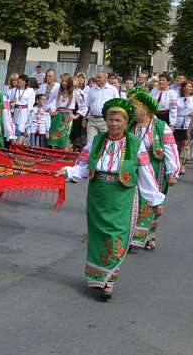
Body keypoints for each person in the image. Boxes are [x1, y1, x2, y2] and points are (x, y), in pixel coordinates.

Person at [60, 98, 165, 301]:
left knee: (116, 235)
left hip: (121, 196)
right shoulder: (96, 141)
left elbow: (146, 173)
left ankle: (110, 281)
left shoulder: (135, 144)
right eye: (111, 119)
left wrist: (156, 200)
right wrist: (67, 171)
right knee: (98, 237)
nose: (114, 124)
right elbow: (82, 166)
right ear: (106, 120)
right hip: (98, 195)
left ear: (126, 122)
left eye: (118, 120)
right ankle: (97, 278)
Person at [128, 89, 178, 251]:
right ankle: (132, 236)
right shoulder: (131, 126)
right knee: (134, 201)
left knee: (151, 201)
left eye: (135, 107)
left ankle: (148, 236)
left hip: (156, 169)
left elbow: (171, 149)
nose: (132, 110)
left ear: (147, 110)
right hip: (135, 169)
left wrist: (172, 171)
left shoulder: (160, 127)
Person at [84, 70, 119, 143]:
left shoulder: (113, 90)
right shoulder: (92, 89)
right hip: (92, 120)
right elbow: (87, 104)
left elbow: (117, 105)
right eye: (96, 77)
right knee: (90, 142)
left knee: (105, 142)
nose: (97, 79)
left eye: (99, 77)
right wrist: (84, 118)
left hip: (105, 120)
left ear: (105, 78)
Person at [171, 80, 193, 163]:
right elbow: (174, 110)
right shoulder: (178, 99)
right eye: (188, 86)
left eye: (191, 87)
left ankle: (183, 164)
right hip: (178, 123)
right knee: (178, 145)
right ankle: (177, 162)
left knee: (185, 144)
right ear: (183, 88)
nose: (190, 88)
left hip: (188, 123)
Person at [48, 74, 76, 148]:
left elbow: (83, 103)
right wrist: (50, 111)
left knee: (64, 139)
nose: (64, 83)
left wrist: (77, 115)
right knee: (55, 139)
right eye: (62, 81)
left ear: (69, 82)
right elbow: (49, 101)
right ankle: (54, 156)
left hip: (67, 117)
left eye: (66, 81)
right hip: (57, 115)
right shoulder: (57, 90)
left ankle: (63, 157)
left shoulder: (74, 91)